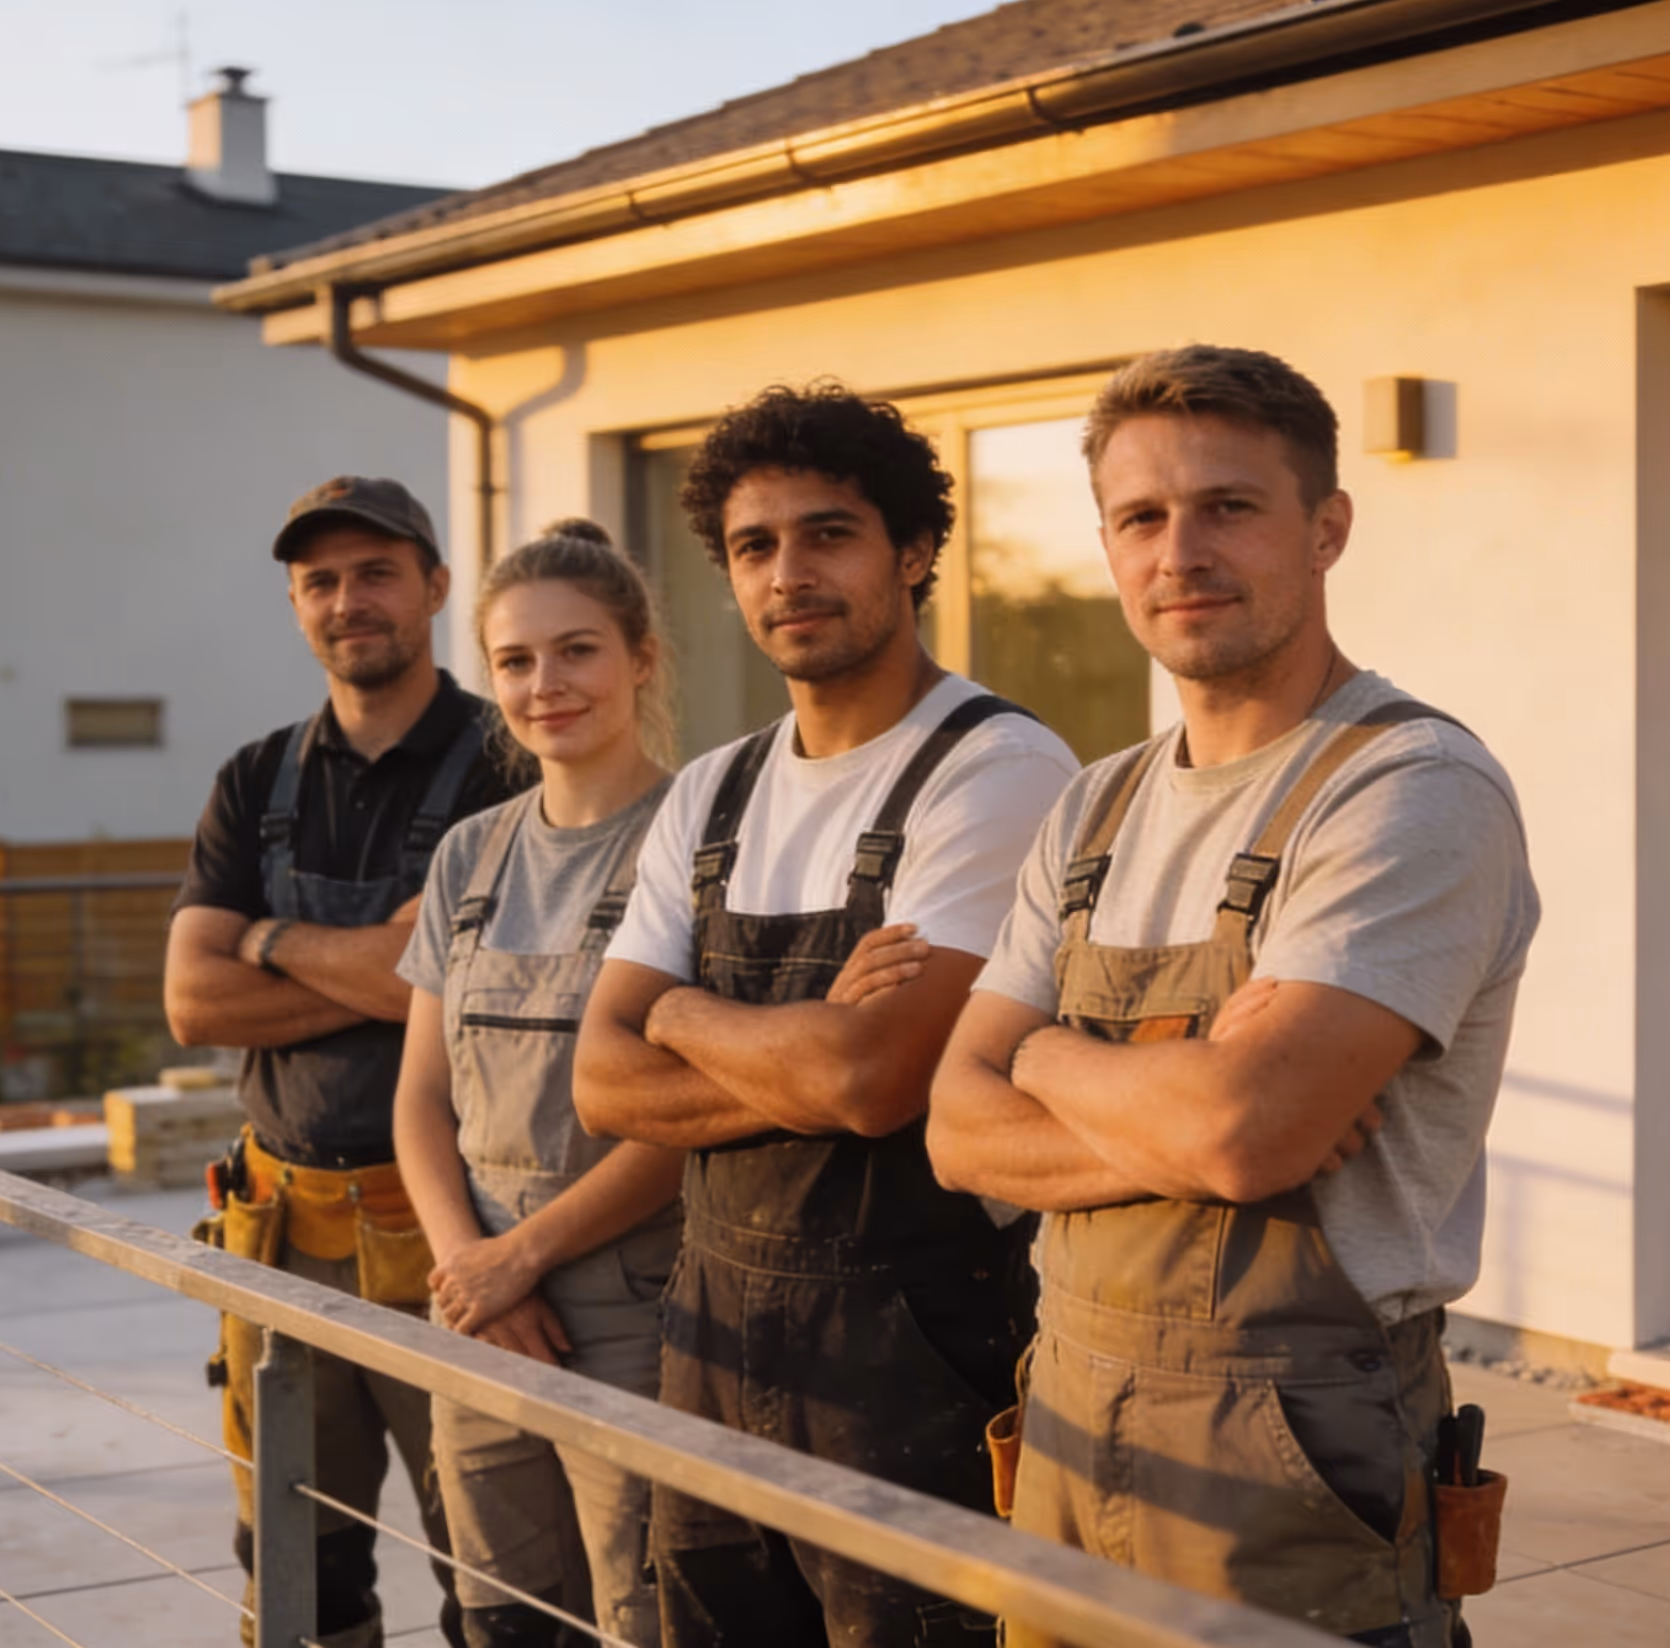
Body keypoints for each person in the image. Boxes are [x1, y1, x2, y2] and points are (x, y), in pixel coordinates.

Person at [930, 345, 1539, 1648]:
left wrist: (1038, 1052)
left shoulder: (1406, 789)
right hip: (1067, 1410)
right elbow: (952, 1128)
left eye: (1229, 507)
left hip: (1295, 1438)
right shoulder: (1094, 803)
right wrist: (1177, 1097)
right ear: (1106, 545)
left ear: (1327, 529)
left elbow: (1241, 1132)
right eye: (1141, 518)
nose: (1179, 551)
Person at [572, 383, 1079, 1646]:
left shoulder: (996, 768)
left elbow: (872, 1084)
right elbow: (597, 1081)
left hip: (915, 1348)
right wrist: (795, 1033)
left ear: (910, 552)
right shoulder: (710, 790)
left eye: (827, 533)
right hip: (706, 1338)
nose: (786, 573)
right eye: (754, 546)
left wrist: (678, 1010)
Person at [164, 474, 530, 1648]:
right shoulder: (252, 776)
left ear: (432, 585)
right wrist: (366, 957)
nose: (347, 599)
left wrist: (266, 939)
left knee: (498, 1567)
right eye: (318, 580)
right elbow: (190, 998)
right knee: (295, 1565)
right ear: (295, 605)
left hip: (452, 1230)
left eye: (375, 571)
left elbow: (429, 987)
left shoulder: (506, 761)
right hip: (277, 1227)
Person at [394, 519, 684, 1648]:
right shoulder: (470, 852)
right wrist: (471, 1264)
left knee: (641, 1612)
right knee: (501, 1616)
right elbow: (420, 1095)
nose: (544, 684)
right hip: (475, 1305)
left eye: (577, 651)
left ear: (640, 658)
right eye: (514, 661)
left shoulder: (691, 839)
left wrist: (528, 1253)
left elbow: (687, 1118)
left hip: (630, 1309)